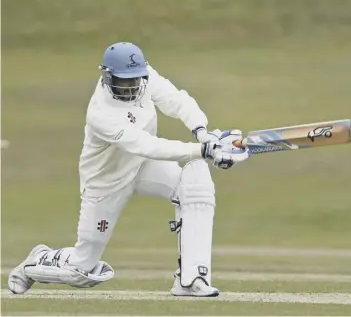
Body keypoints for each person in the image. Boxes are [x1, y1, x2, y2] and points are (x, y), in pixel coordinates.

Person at [8, 42, 251, 297]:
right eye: (124, 82)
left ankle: (191, 279)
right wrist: (203, 150)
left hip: (144, 168)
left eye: (135, 81)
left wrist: (203, 134)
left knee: (196, 182)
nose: (131, 87)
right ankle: (38, 260)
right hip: (107, 181)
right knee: (80, 270)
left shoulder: (144, 76)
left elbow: (176, 100)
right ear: (107, 77)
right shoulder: (101, 114)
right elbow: (146, 145)